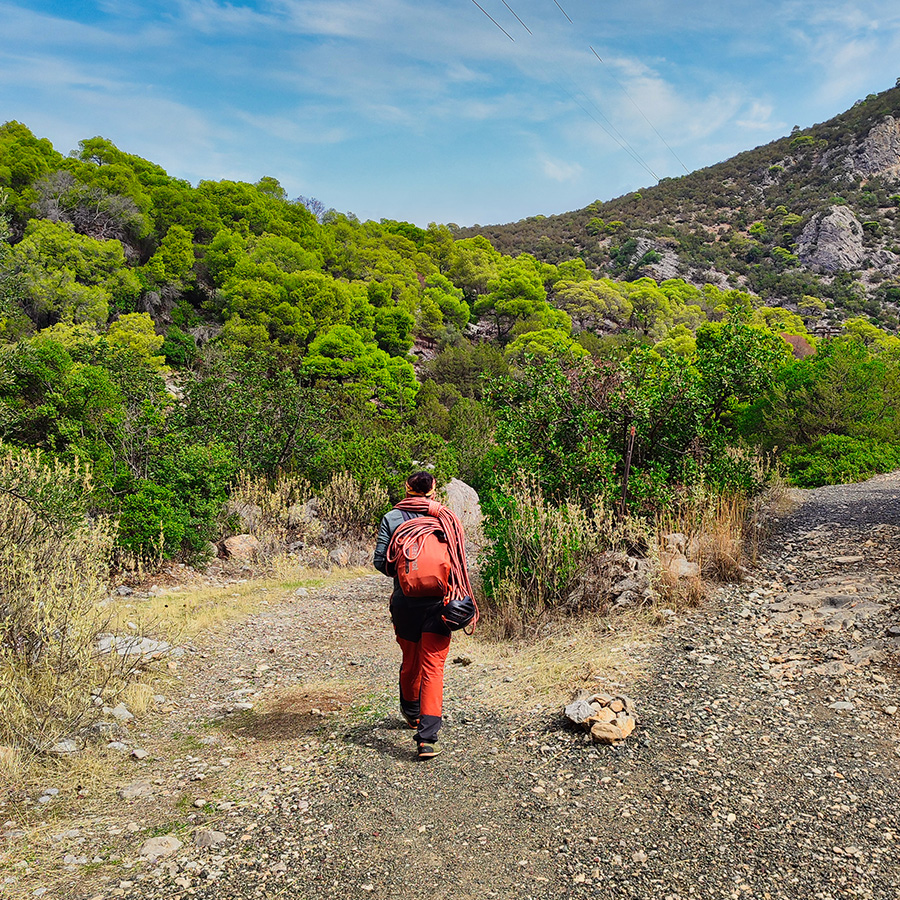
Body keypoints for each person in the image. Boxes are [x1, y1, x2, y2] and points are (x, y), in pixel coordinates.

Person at [373, 472, 453, 760]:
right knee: (433, 667)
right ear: (433, 489)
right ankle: (427, 739)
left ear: (407, 488)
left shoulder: (391, 518)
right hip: (440, 604)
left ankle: (411, 712)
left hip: (404, 603)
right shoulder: (445, 518)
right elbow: (456, 562)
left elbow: (381, 562)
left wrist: (408, 572)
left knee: (411, 659)